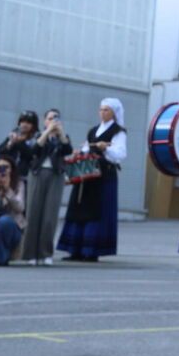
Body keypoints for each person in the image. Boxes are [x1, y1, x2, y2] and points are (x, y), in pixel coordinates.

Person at [58, 99, 127, 262]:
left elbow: (121, 154)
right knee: (79, 207)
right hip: (87, 175)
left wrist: (106, 148)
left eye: (106, 110)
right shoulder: (93, 130)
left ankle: (91, 250)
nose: (102, 113)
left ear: (114, 113)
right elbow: (87, 149)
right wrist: (80, 152)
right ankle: (75, 249)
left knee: (96, 211)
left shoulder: (119, 132)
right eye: (101, 109)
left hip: (103, 176)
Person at [17, 108, 71, 266]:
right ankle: (29, 253)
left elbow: (67, 150)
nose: (53, 121)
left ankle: (45, 253)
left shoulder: (63, 137)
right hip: (37, 173)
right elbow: (34, 149)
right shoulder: (38, 135)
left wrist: (60, 134)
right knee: (33, 213)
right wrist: (47, 132)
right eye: (50, 118)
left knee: (50, 216)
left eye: (56, 118)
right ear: (45, 120)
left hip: (55, 175)